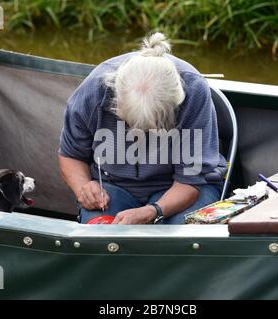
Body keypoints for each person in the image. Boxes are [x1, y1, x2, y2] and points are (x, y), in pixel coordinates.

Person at [58, 32, 226, 225]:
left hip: (183, 186)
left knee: (178, 239)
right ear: (116, 101)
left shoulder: (194, 90)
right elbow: (71, 155)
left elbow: (191, 180)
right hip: (114, 185)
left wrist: (153, 211)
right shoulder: (94, 90)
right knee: (100, 234)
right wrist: (84, 187)